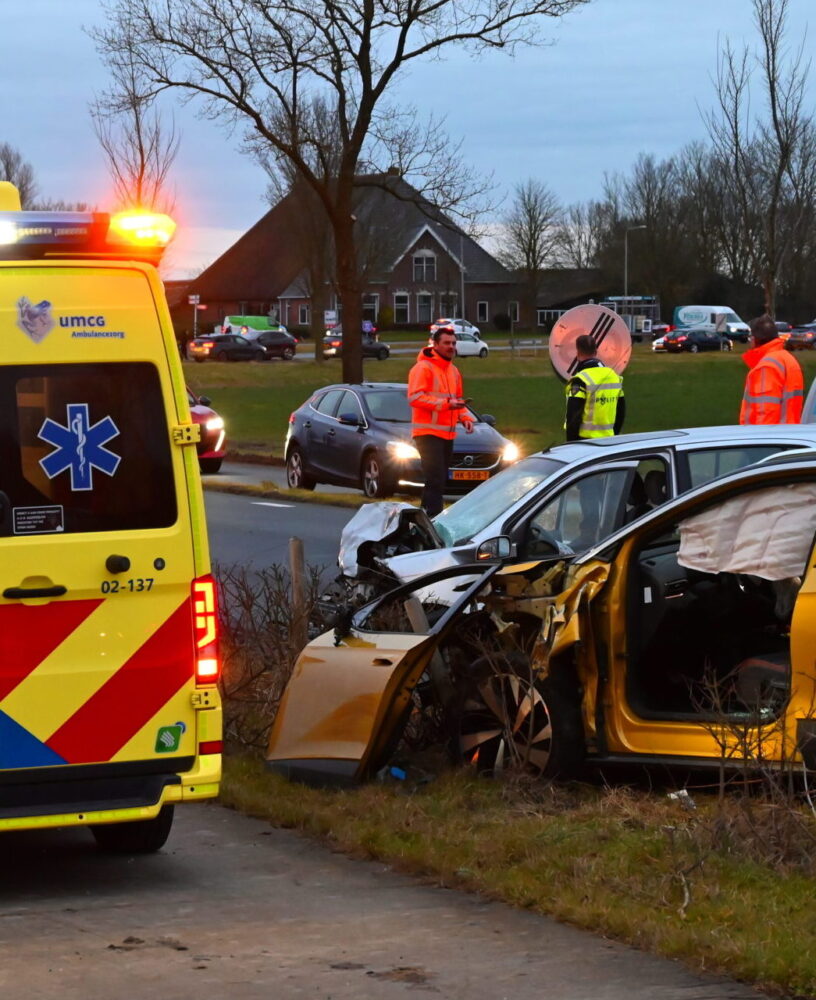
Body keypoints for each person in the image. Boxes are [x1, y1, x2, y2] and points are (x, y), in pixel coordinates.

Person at [407, 327, 473, 517]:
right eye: (446, 343)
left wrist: (465, 417)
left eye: (453, 343)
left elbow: (458, 401)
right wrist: (444, 404)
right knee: (435, 478)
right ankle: (434, 517)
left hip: (447, 433)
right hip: (427, 433)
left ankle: (423, 518)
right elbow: (415, 398)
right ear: (434, 345)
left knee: (438, 480)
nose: (451, 347)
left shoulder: (453, 371)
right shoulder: (423, 368)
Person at [740, 314, 803, 424]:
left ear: (754, 340)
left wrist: (761, 439)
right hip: (789, 433)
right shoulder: (787, 359)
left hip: (769, 437)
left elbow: (766, 412)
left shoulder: (766, 366)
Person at [564, 334, 626, 441]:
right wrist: (614, 435)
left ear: (578, 353)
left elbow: (573, 417)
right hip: (609, 441)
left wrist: (571, 444)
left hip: (585, 442)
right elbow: (621, 411)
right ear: (596, 352)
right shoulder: (613, 376)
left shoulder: (581, 379)